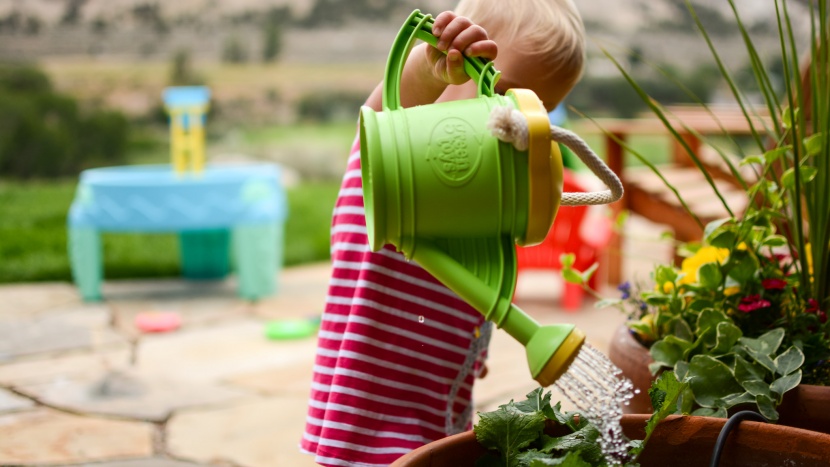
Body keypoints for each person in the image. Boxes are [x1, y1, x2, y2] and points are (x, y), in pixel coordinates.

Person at [301, 1, 585, 465]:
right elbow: (384, 116)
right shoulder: (391, 178)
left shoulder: (478, 206)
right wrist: (429, 70)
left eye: (539, 114)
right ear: (457, 66)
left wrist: (469, 351)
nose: (523, 133)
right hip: (369, 432)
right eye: (506, 96)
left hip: (438, 414)